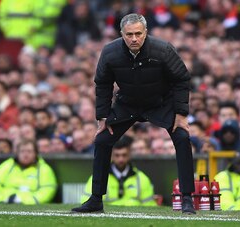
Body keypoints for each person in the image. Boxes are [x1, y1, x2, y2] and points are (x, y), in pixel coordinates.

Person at [72, 13, 195, 214]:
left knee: (182, 137)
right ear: (122, 34)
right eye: (129, 34)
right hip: (127, 103)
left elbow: (182, 79)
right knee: (102, 140)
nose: (134, 38)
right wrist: (102, 117)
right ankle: (96, 200)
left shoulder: (163, 49)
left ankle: (187, 198)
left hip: (160, 103)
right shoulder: (110, 52)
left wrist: (181, 114)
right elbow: (102, 84)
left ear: (146, 32)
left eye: (138, 33)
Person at [81, 136, 157, 206]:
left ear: (129, 154)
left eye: (124, 155)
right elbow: (86, 202)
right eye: (117, 155)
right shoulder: (98, 177)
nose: (121, 159)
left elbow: (150, 207)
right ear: (111, 155)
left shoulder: (142, 178)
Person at [0, 139, 57, 205]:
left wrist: (23, 201)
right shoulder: (8, 165)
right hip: (5, 203)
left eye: (29, 151)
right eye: (22, 151)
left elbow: (47, 190)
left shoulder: (44, 169)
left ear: (36, 153)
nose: (25, 154)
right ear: (17, 153)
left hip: (30, 209)